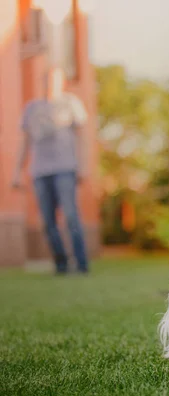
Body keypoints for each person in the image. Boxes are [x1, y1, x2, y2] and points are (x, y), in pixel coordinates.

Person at [11, 67, 89, 275]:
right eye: (46, 80)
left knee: (71, 216)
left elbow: (82, 138)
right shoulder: (32, 108)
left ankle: (81, 264)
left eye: (54, 80)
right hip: (40, 171)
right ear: (42, 81)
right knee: (47, 222)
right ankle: (61, 264)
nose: (50, 84)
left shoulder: (71, 103)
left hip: (66, 168)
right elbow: (25, 142)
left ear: (61, 82)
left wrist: (84, 165)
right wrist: (16, 171)